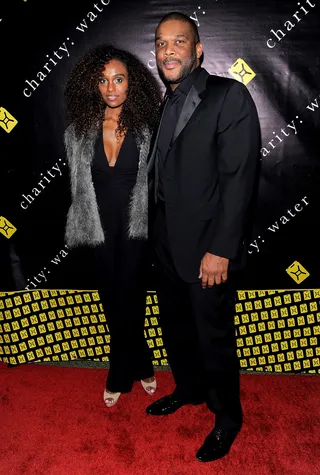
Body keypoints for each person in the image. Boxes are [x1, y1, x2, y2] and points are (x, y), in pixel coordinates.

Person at [146, 12, 261, 462]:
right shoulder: (166, 102)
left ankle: (227, 418)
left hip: (207, 251)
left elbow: (240, 180)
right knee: (175, 328)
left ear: (198, 51)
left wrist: (221, 250)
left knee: (213, 336)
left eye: (179, 42)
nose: (168, 50)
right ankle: (189, 389)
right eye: (160, 43)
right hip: (166, 247)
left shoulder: (228, 96)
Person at [63, 44, 162, 407]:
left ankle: (119, 372)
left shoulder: (150, 128)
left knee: (132, 297)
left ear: (131, 83)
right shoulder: (77, 133)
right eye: (103, 80)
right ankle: (142, 360)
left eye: (118, 79)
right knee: (111, 297)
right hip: (99, 228)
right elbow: (77, 188)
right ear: (93, 85)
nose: (111, 88)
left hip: (137, 228)